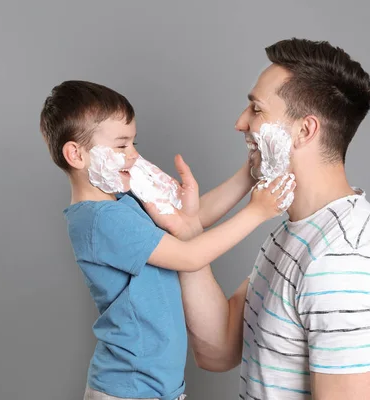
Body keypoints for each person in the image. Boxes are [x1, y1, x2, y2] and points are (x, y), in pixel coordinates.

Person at [147, 38, 370, 399]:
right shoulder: (297, 231)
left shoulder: (346, 261)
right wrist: (189, 232)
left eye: (256, 110)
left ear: (304, 131)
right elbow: (218, 350)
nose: (241, 122)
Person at [39, 80, 295, 400]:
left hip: (153, 387)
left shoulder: (122, 202)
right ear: (75, 154)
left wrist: (249, 174)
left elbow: (191, 221)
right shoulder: (101, 220)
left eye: (133, 143)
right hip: (129, 389)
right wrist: (257, 212)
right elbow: (189, 256)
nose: (133, 156)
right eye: (121, 146)